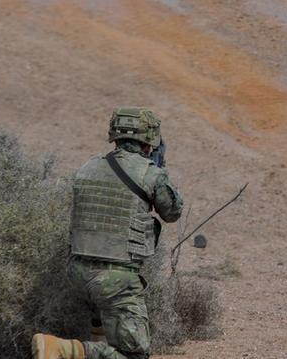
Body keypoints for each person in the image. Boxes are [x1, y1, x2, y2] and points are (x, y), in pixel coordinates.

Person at [33, 107, 183, 359]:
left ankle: (90, 340)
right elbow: (172, 212)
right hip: (115, 280)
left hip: (77, 272)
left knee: (101, 321)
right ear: (149, 140)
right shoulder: (150, 173)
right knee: (134, 354)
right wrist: (159, 170)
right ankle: (62, 350)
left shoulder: (88, 166)